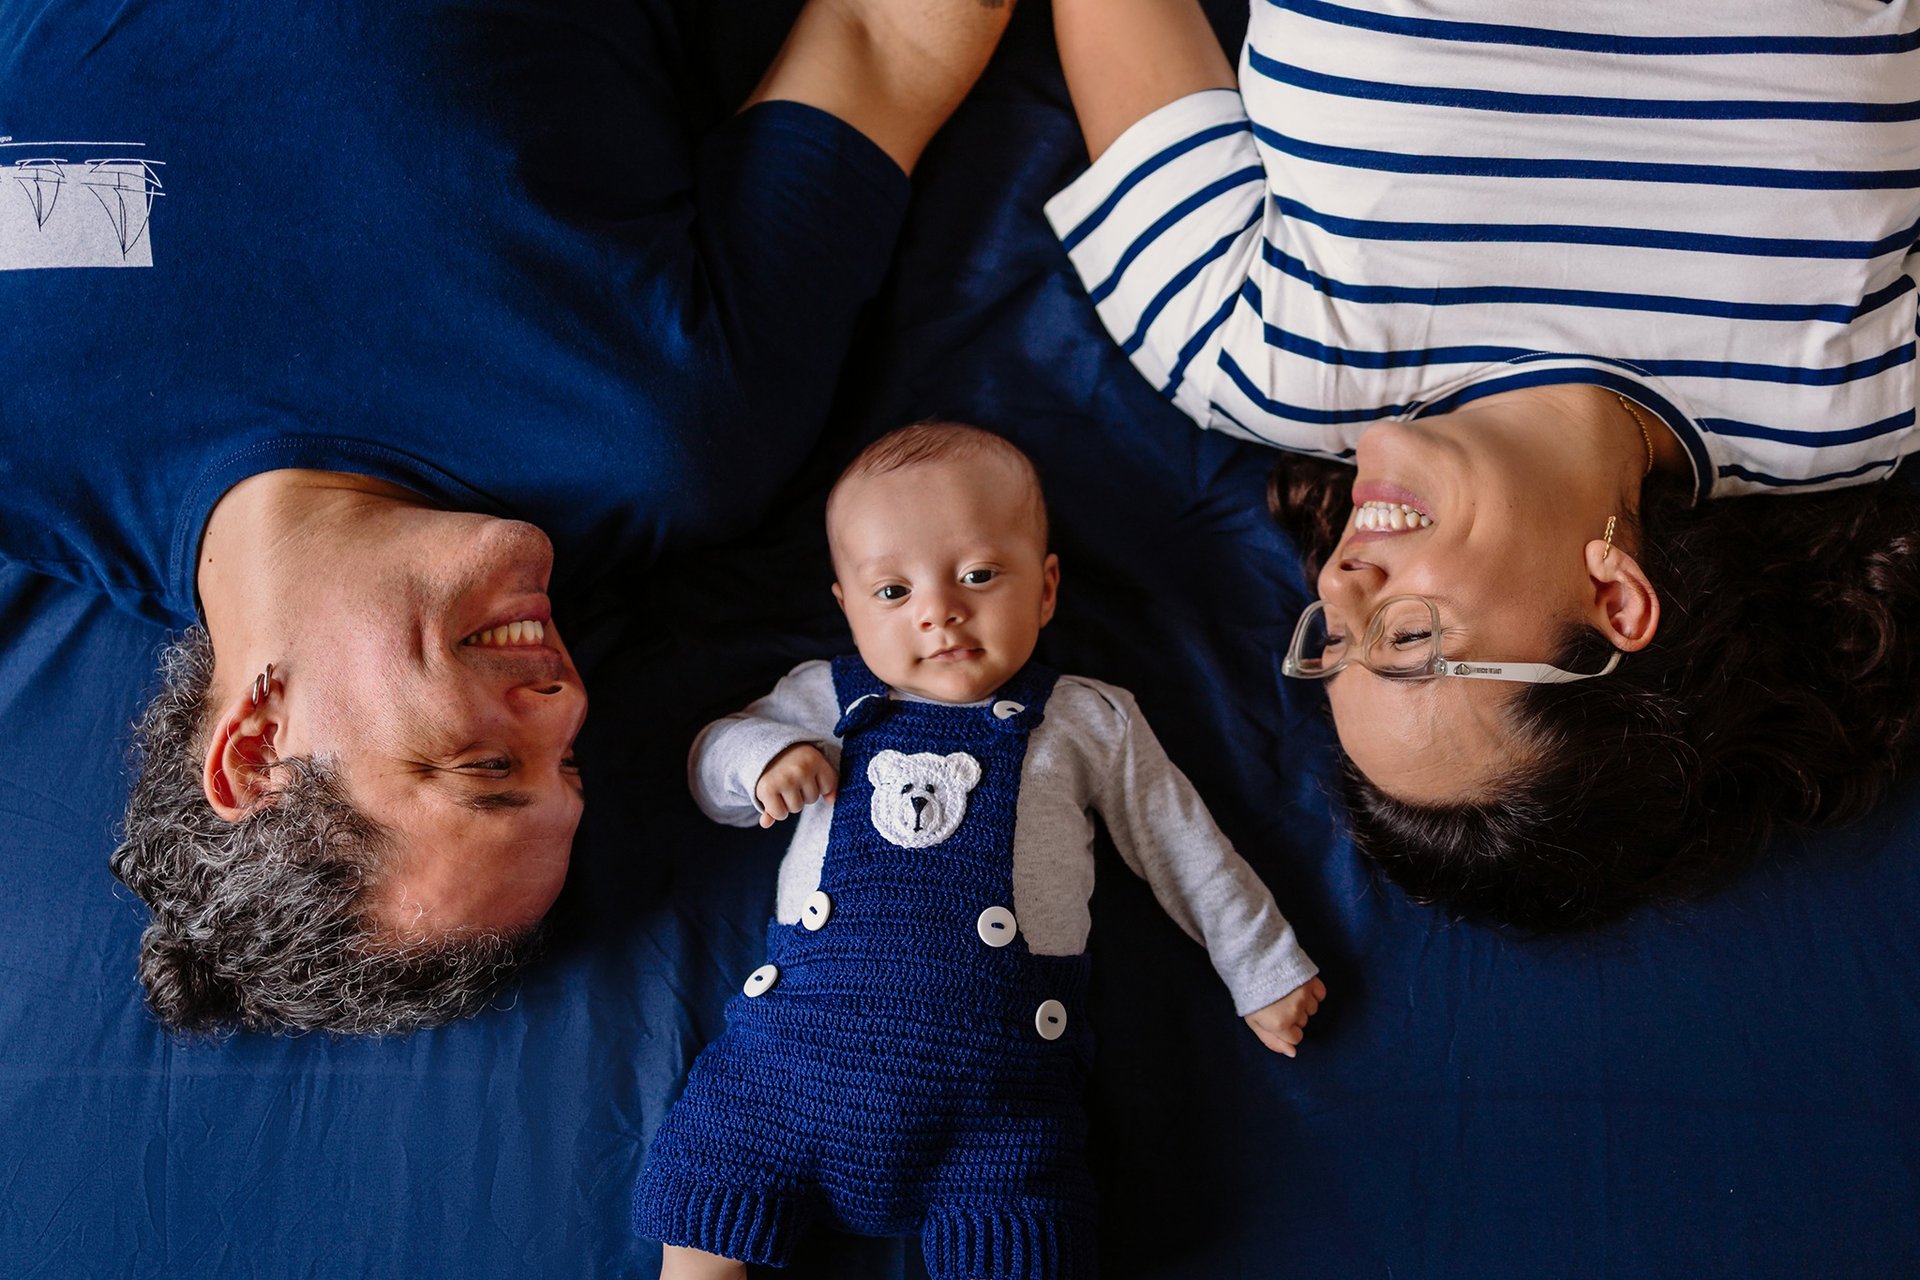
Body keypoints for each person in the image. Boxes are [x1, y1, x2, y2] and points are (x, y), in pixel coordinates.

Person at [0, 0, 1019, 1033]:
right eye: (567, 759)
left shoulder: (21, 444)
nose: (567, 703)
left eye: (489, 765)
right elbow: (880, 40)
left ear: (257, 747)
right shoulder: (662, 431)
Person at [1046, 0, 1920, 928]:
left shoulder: (1247, 357)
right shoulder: (1867, 400)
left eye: (1334, 639)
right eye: (1410, 640)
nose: (1340, 583)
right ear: (1617, 602)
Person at [631, 424, 1326, 1279]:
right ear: (846, 606)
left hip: (994, 1110)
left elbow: (1183, 845)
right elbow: (709, 767)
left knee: (1019, 1239)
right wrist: (761, 761)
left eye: (978, 575)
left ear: (1046, 587)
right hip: (782, 1074)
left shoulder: (1088, 720)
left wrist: (1262, 968)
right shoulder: (818, 699)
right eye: (892, 590)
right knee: (709, 1193)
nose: (939, 610)